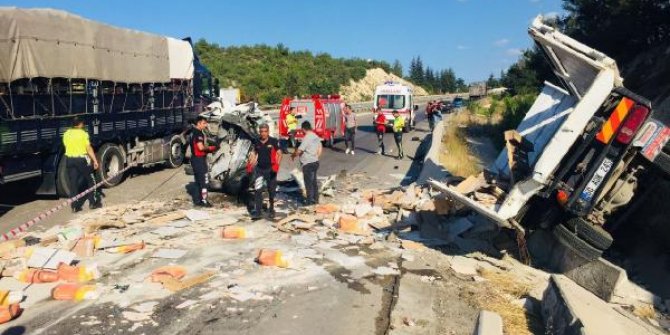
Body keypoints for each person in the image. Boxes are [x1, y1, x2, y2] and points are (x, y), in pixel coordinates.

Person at [62, 117, 101, 212]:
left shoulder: (66, 134)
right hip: (81, 159)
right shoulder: (83, 134)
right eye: (83, 123)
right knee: (91, 180)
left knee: (73, 183)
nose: (83, 125)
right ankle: (93, 203)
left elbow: (66, 145)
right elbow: (88, 148)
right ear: (80, 124)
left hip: (69, 160)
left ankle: (75, 206)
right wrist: (95, 160)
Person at [247, 123, 282, 220]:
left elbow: (279, 154)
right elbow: (254, 152)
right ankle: (258, 213)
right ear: (259, 132)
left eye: (265, 131)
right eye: (261, 131)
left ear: (268, 132)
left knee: (271, 191)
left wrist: (276, 166)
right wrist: (250, 163)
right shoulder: (256, 141)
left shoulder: (273, 141)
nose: (263, 133)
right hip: (259, 170)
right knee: (258, 191)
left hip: (271, 170)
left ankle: (271, 209)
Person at [291, 121, 322, 205]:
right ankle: (316, 199)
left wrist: (293, 155)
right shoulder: (315, 136)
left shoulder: (307, 137)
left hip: (308, 164)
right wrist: (315, 157)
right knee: (313, 182)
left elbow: (299, 150)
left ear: (303, 129)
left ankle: (309, 203)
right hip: (315, 162)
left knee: (308, 184)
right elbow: (320, 148)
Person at [190, 116, 218, 207]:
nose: (205, 125)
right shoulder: (198, 133)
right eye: (204, 123)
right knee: (204, 181)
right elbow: (200, 147)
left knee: (198, 181)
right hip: (199, 159)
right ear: (198, 123)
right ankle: (204, 201)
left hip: (195, 159)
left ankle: (198, 200)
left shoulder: (192, 132)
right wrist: (211, 148)